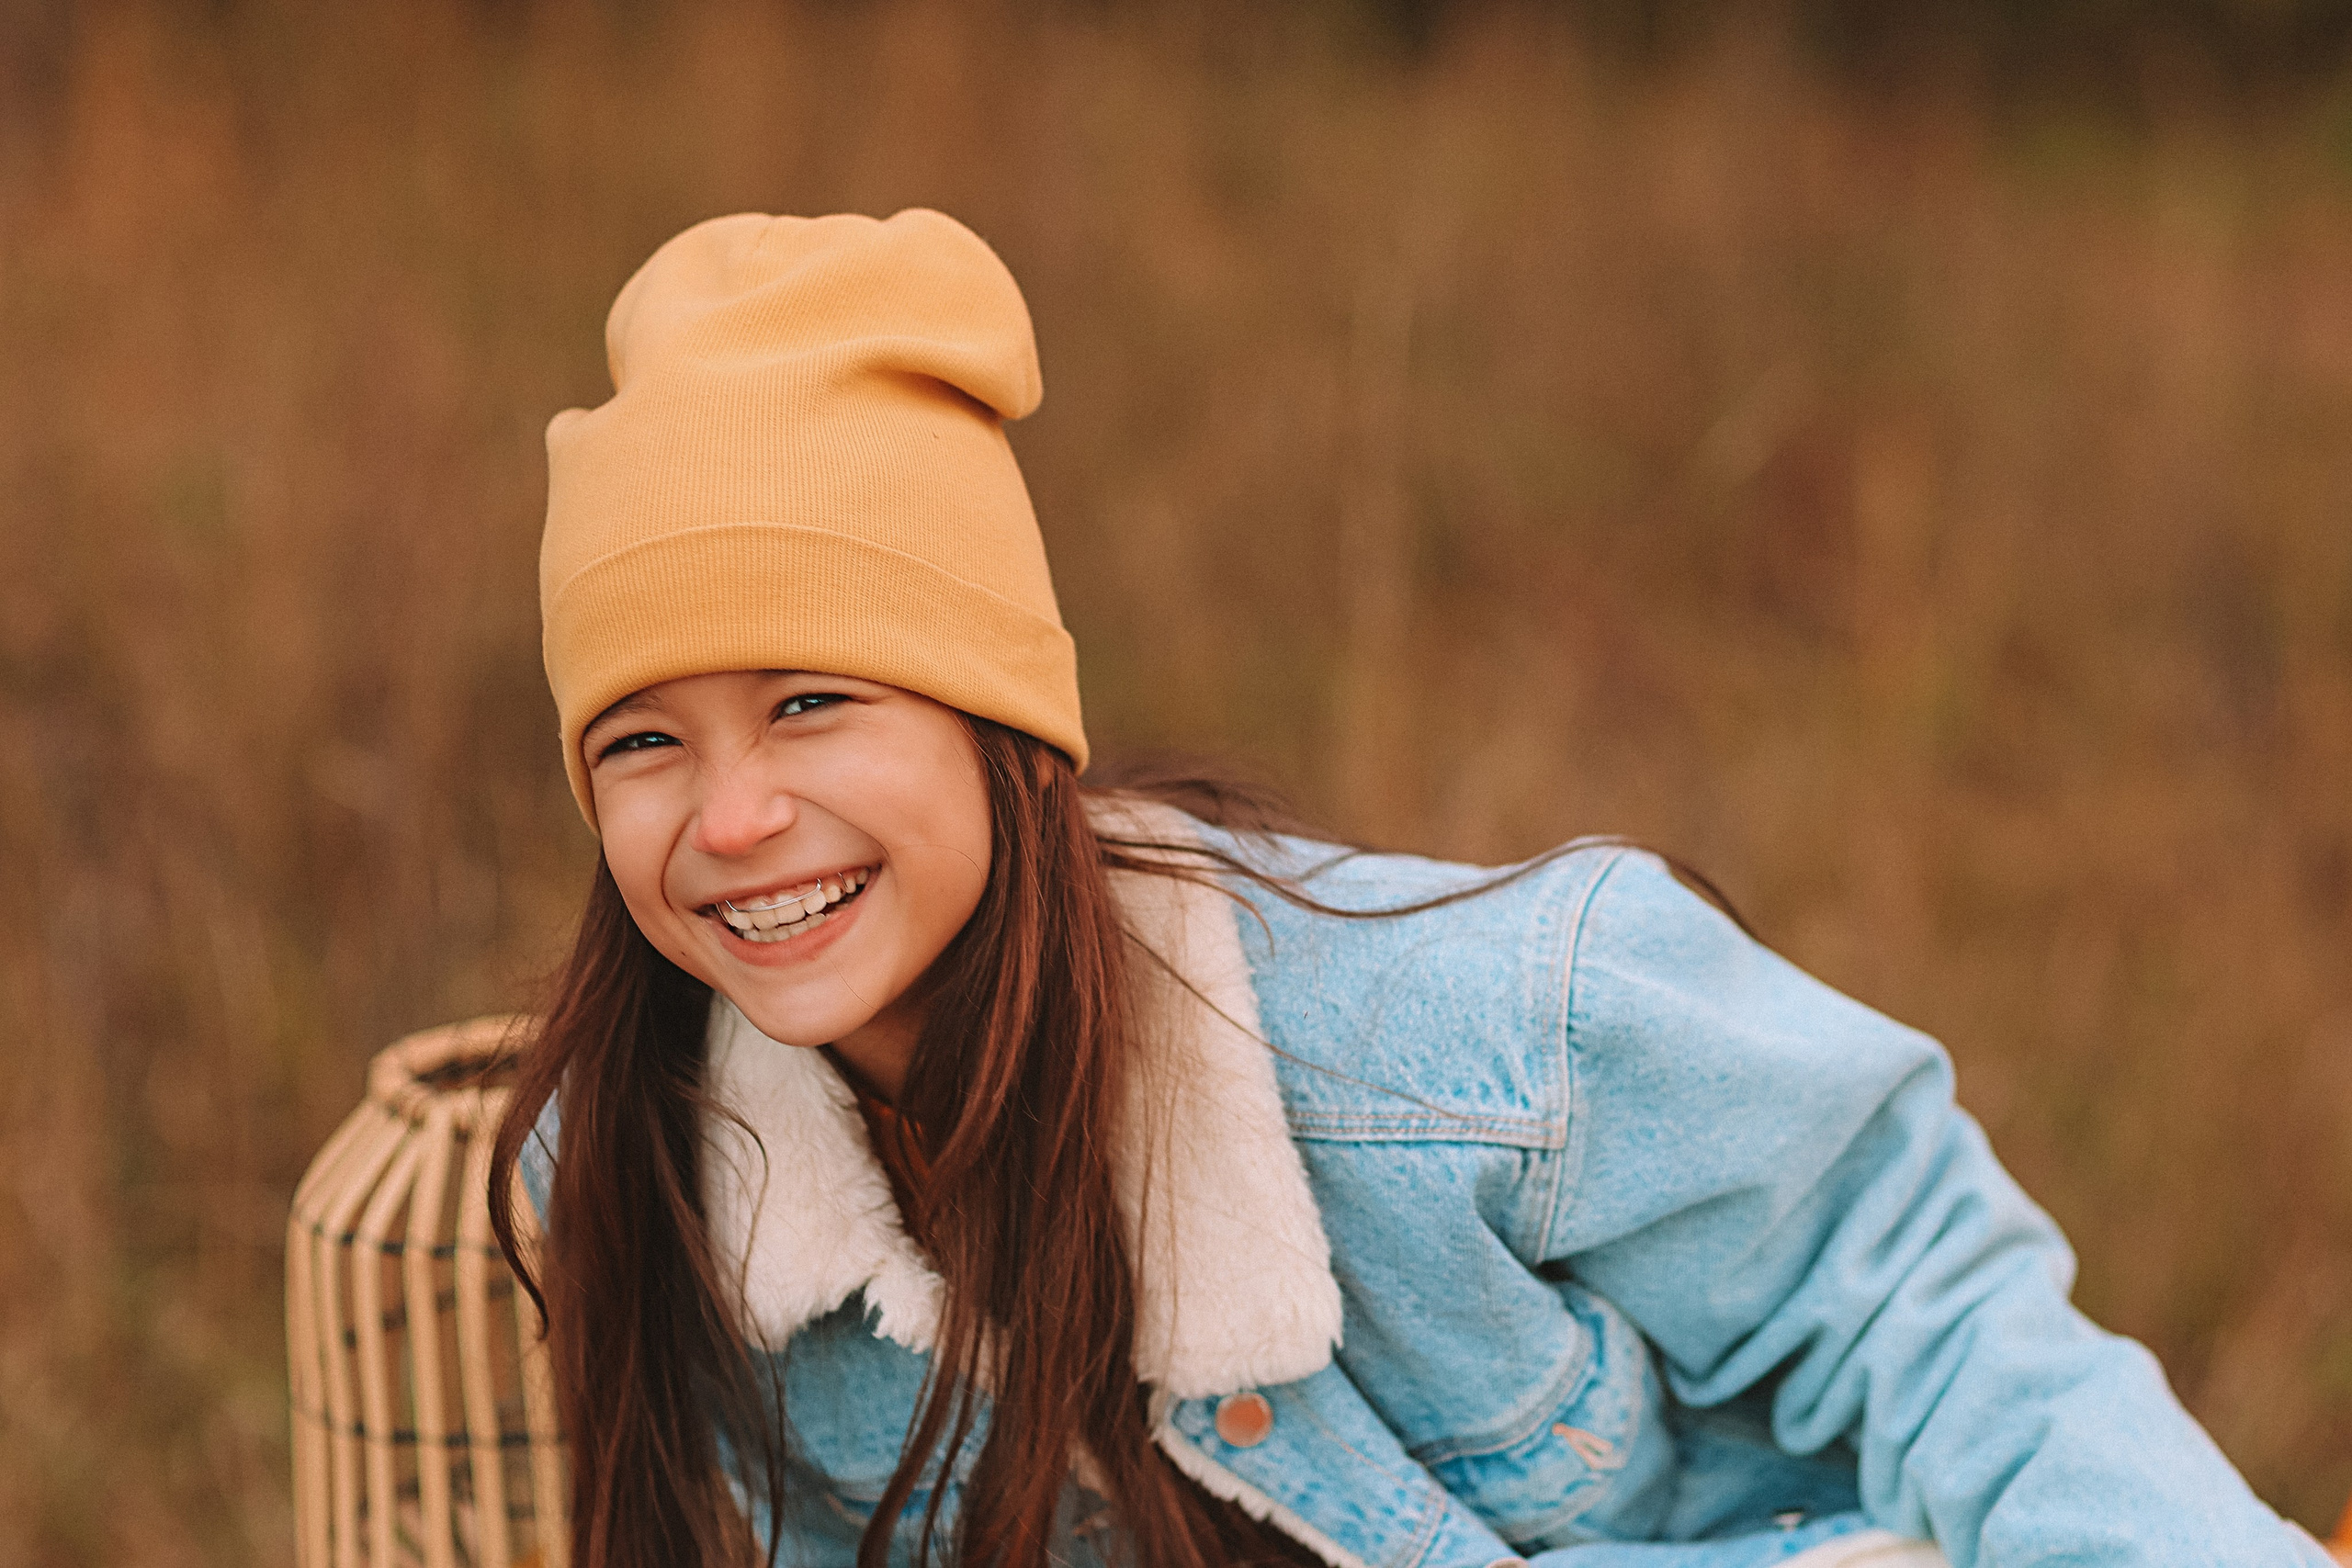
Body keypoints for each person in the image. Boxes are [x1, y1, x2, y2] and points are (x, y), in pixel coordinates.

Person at [489, 209, 2330, 1568]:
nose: (730, 817)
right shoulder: (658, 1159)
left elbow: (1919, 1300)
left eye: (812, 702)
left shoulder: (1452, 1032)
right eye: (641, 739)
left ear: (1002, 727)